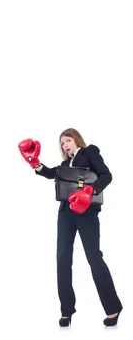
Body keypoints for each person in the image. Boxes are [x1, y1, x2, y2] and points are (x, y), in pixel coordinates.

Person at [19, 128, 123, 327]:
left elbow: (106, 175)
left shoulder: (90, 153)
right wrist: (35, 163)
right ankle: (67, 310)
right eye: (62, 143)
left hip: (86, 213)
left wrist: (90, 190)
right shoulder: (66, 164)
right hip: (66, 213)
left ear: (76, 140)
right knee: (63, 259)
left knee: (94, 258)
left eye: (68, 140)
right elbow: (51, 174)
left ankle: (113, 308)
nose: (65, 145)